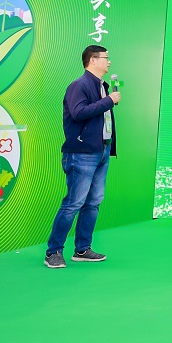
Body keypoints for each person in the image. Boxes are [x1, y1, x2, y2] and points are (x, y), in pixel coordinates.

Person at [45, 45, 120, 269]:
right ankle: (53, 252)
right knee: (74, 203)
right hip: (81, 153)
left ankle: (82, 249)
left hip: (101, 150)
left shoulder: (101, 86)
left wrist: (107, 100)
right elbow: (78, 113)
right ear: (92, 60)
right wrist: (109, 101)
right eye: (105, 57)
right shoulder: (79, 85)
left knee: (93, 202)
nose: (109, 61)